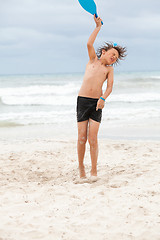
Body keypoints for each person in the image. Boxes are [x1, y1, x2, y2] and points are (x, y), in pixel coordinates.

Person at [76, 14, 127, 181]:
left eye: (116, 58)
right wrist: (98, 27)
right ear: (104, 52)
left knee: (93, 139)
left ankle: (94, 171)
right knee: (82, 138)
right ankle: (82, 168)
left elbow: (110, 87)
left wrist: (103, 98)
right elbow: (89, 43)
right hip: (82, 101)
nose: (113, 58)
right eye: (112, 54)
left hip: (97, 103)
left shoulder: (109, 70)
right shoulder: (92, 60)